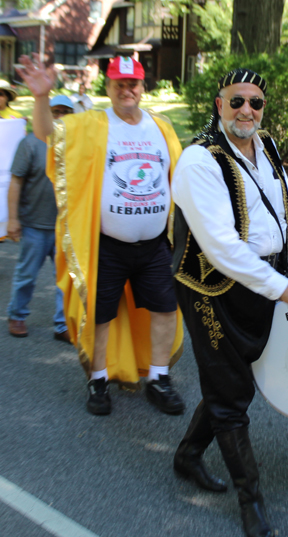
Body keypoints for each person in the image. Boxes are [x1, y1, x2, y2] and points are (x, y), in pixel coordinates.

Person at [171, 68, 288, 537]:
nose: (247, 110)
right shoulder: (198, 161)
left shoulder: (267, 149)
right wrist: (283, 287)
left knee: (234, 376)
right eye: (237, 101)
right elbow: (221, 247)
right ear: (218, 103)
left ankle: (188, 456)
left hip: (263, 281)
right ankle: (251, 500)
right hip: (212, 288)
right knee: (232, 392)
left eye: (256, 102)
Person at [17, 54, 185, 417]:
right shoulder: (91, 124)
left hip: (155, 244)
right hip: (107, 245)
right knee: (100, 314)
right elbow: (48, 136)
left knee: (165, 308)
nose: (127, 90)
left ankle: (159, 378)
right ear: (108, 87)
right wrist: (42, 98)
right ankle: (98, 380)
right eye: (119, 84)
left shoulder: (162, 127)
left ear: (143, 87)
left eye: (133, 83)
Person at [6, 96, 74, 341]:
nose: (60, 116)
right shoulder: (30, 143)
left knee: (66, 280)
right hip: (34, 225)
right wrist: (13, 219)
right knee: (26, 275)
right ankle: (17, 315)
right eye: (55, 111)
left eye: (66, 112)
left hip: (65, 227)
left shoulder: (77, 144)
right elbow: (16, 181)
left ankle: (63, 324)